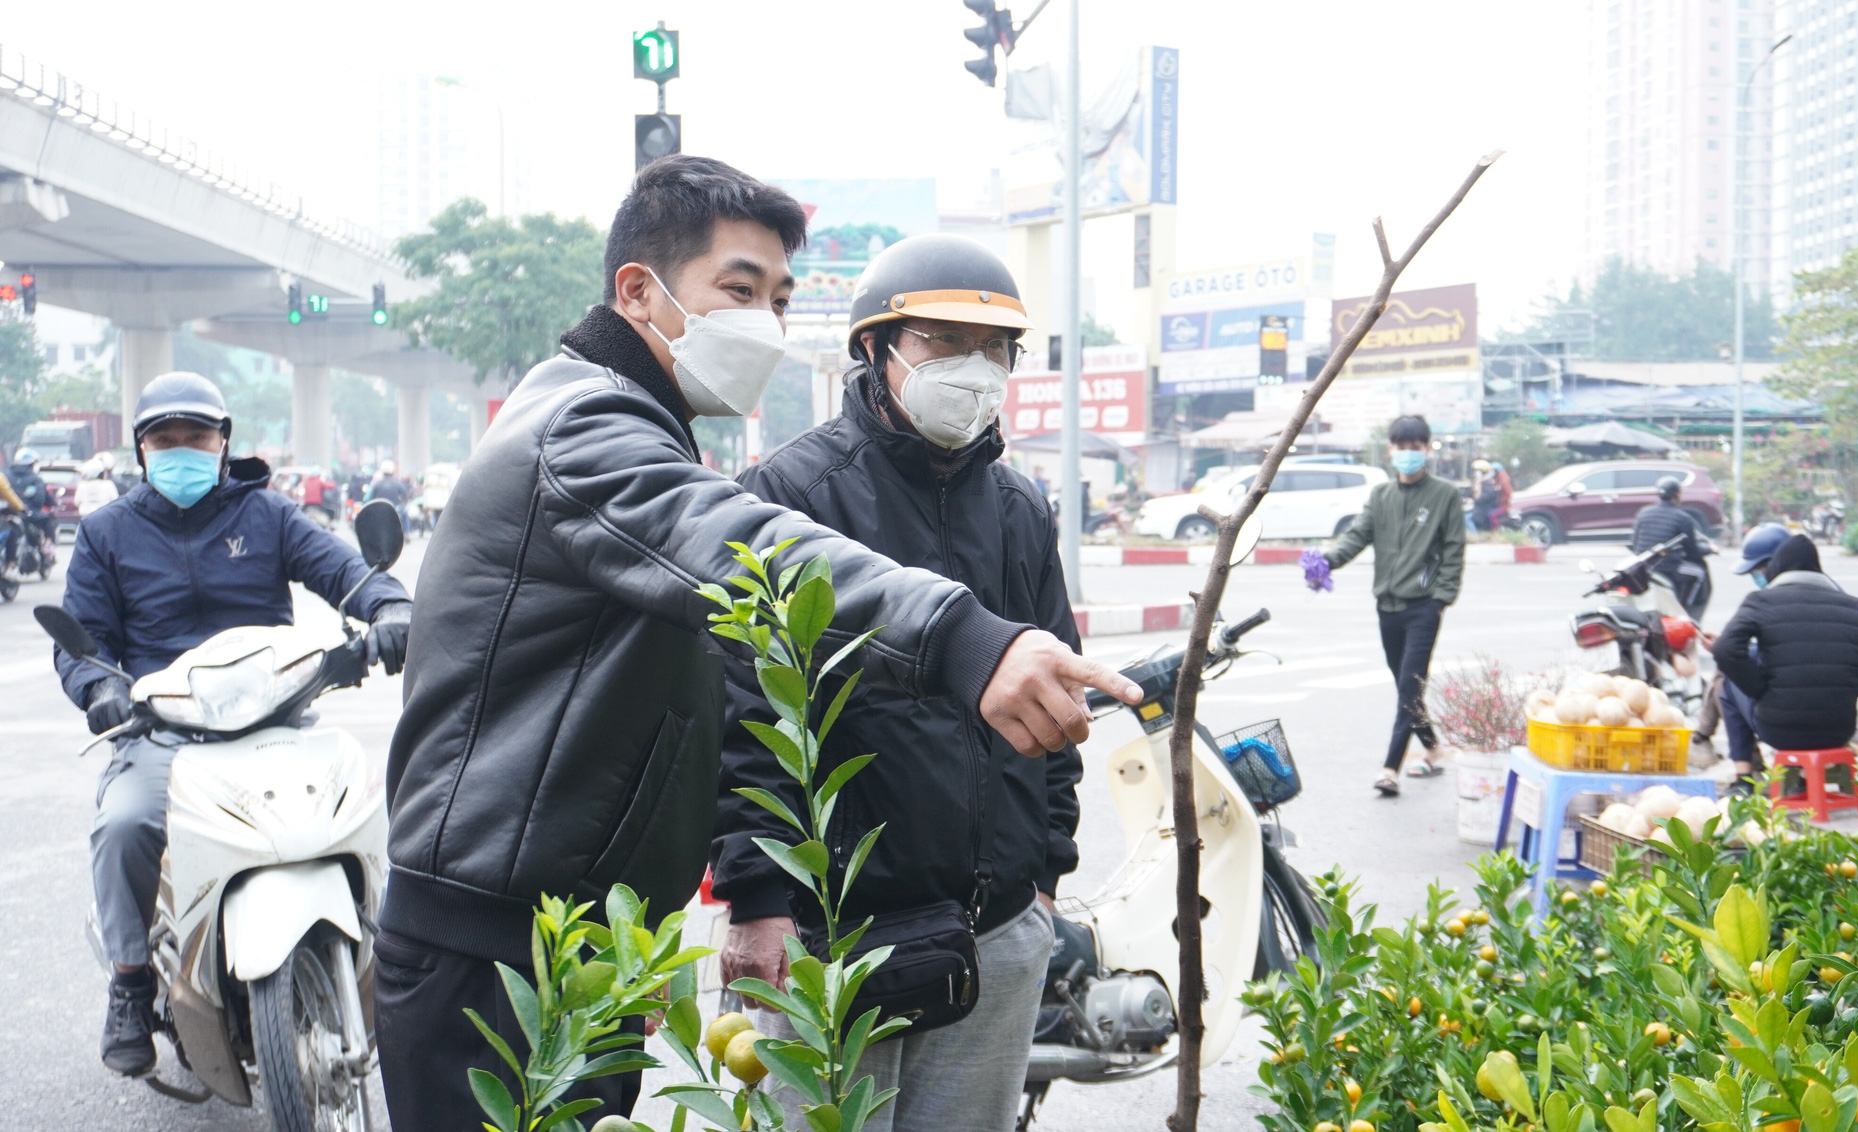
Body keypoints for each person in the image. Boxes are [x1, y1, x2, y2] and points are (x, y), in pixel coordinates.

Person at [375, 155, 1139, 1131]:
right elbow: (743, 561)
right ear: (639, 291)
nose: (764, 325)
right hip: (496, 947)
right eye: (738, 290)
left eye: (778, 299)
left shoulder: (644, 427)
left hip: (578, 940)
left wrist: (1042, 863)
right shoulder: (580, 430)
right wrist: (962, 638)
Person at [712, 234, 1068, 1131]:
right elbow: (742, 711)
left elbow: (1056, 700)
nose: (975, 370)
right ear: (875, 351)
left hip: (994, 928)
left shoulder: (1022, 511)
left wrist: (1044, 876)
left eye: (995, 350)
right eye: (944, 344)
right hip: (829, 938)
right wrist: (756, 899)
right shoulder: (790, 495)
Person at [53, 372, 413, 1077]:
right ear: (141, 450)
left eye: (196, 437)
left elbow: (344, 570)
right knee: (123, 824)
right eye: (165, 439)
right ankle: (130, 984)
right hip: (163, 730)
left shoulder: (266, 515)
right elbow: (82, 641)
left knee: (366, 798)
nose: (181, 450)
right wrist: (99, 687)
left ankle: (392, 955)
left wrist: (390, 606)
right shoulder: (105, 533)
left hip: (276, 715)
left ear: (223, 445)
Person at [1322, 414, 1466, 797]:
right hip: (1387, 607)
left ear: (1426, 448)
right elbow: (1357, 535)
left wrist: (1442, 598)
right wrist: (1326, 561)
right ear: (1391, 450)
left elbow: (1453, 550)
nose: (1408, 454)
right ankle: (1434, 750)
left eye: (1415, 448)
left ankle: (1390, 769)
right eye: (1402, 448)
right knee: (1408, 689)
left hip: (1423, 608)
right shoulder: (1380, 496)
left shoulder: (1444, 495)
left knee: (1407, 686)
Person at [1712, 532, 1858, 781]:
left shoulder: (1761, 602)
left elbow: (1725, 650)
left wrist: (1761, 688)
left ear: (1776, 570)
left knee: (1727, 682)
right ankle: (1800, 781)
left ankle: (1744, 778)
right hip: (1838, 730)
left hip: (1779, 730)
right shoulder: (1855, 607)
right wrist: (1847, 686)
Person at [1629, 475, 1713, 621]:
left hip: (1642, 569)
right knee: (1698, 573)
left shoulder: (1643, 513)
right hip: (1667, 569)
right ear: (1677, 494)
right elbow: (1693, 553)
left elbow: (1634, 543)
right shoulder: (1683, 517)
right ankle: (1686, 616)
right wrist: (1710, 549)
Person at [6, 446, 56, 549]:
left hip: (7, 512)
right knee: (49, 519)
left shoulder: (6, 475)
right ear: (31, 464)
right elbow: (39, 500)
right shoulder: (35, 479)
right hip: (29, 513)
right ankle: (47, 547)